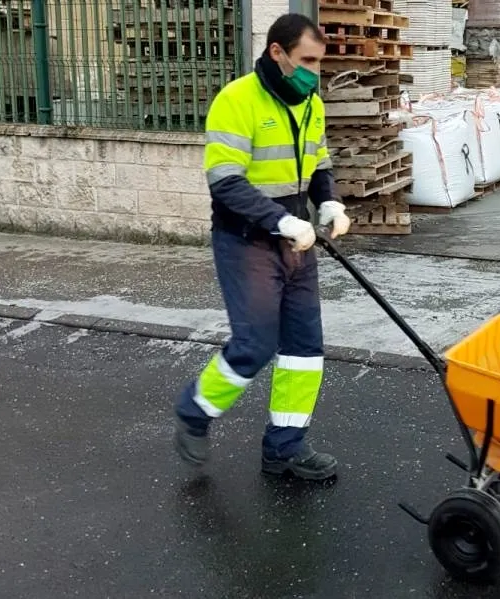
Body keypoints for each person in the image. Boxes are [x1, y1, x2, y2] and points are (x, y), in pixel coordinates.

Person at [173, 13, 350, 481]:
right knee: (254, 346)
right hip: (246, 241)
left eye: (319, 62)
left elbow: (319, 161)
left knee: (304, 350)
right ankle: (196, 410)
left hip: (297, 243)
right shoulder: (236, 100)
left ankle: (285, 449)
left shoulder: (310, 102)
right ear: (278, 52)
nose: (315, 71)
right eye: (307, 60)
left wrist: (328, 202)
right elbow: (224, 181)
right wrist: (283, 219)